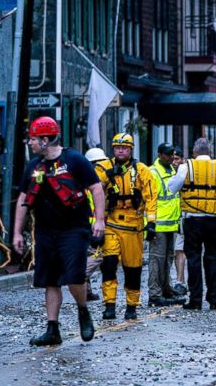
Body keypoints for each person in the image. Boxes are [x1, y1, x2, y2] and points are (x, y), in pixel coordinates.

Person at [13, 116, 103, 346]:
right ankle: (52, 329)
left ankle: (83, 311)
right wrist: (16, 233)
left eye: (32, 139)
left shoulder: (74, 159)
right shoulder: (34, 166)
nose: (30, 143)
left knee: (74, 277)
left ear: (45, 139)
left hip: (74, 229)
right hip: (45, 231)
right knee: (49, 280)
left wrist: (99, 220)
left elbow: (96, 188)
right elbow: (23, 198)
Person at [167, 137, 216, 311]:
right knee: (214, 259)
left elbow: (172, 188)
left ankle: (195, 300)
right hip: (214, 220)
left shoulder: (186, 167)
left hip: (192, 220)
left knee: (193, 259)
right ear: (210, 152)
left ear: (194, 151)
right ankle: (214, 299)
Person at [95, 132, 153, 321]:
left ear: (130, 150)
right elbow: (93, 191)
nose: (120, 150)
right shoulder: (104, 168)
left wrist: (151, 222)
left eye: (124, 148)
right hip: (111, 222)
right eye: (117, 147)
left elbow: (151, 197)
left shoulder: (142, 170)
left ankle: (131, 305)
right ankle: (109, 305)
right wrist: (97, 221)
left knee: (133, 268)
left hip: (133, 224)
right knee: (109, 265)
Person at [147, 143, 184, 307]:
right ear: (160, 155)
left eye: (173, 155)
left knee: (167, 259)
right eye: (168, 155)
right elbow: (150, 200)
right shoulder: (153, 173)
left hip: (170, 224)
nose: (171, 158)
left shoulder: (171, 171)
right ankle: (155, 294)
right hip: (159, 225)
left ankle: (166, 289)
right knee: (157, 260)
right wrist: (150, 224)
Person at [83, 147, 109, 302]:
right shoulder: (93, 184)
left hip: (92, 225)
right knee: (97, 256)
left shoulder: (89, 182)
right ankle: (79, 278)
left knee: (90, 256)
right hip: (94, 226)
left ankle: (86, 290)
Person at [170, 147, 187, 296]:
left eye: (177, 159)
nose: (175, 162)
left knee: (180, 250)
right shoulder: (164, 173)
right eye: (173, 159)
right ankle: (178, 281)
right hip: (168, 220)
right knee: (176, 251)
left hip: (183, 218)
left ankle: (181, 281)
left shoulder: (185, 172)